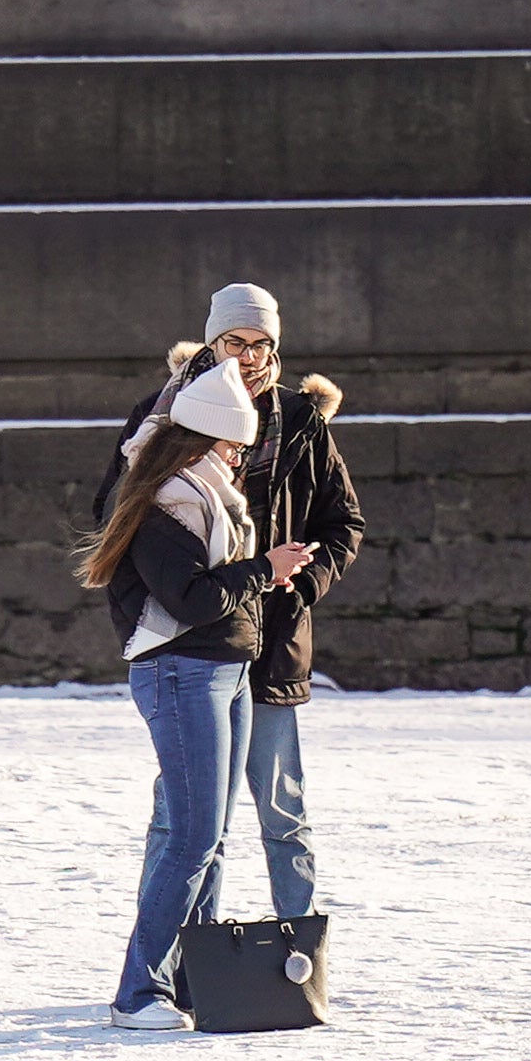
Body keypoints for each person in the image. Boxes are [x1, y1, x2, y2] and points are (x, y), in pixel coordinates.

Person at [106, 281, 365, 920]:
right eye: (233, 342)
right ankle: (181, 961)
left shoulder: (302, 420)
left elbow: (344, 523)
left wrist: (298, 583)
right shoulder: (163, 415)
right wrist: (165, 593)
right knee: (189, 819)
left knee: (282, 810)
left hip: (272, 638)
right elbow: (118, 516)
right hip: (190, 638)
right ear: (212, 340)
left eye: (260, 345)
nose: (247, 357)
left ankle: (297, 956)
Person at [78, 362, 280, 1030]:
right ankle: (138, 992)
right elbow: (190, 598)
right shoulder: (167, 500)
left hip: (225, 668)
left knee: (213, 838)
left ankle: (193, 979)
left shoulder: (208, 494)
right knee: (191, 837)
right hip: (181, 670)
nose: (239, 457)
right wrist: (263, 572)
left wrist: (263, 577)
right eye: (233, 445)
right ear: (204, 440)